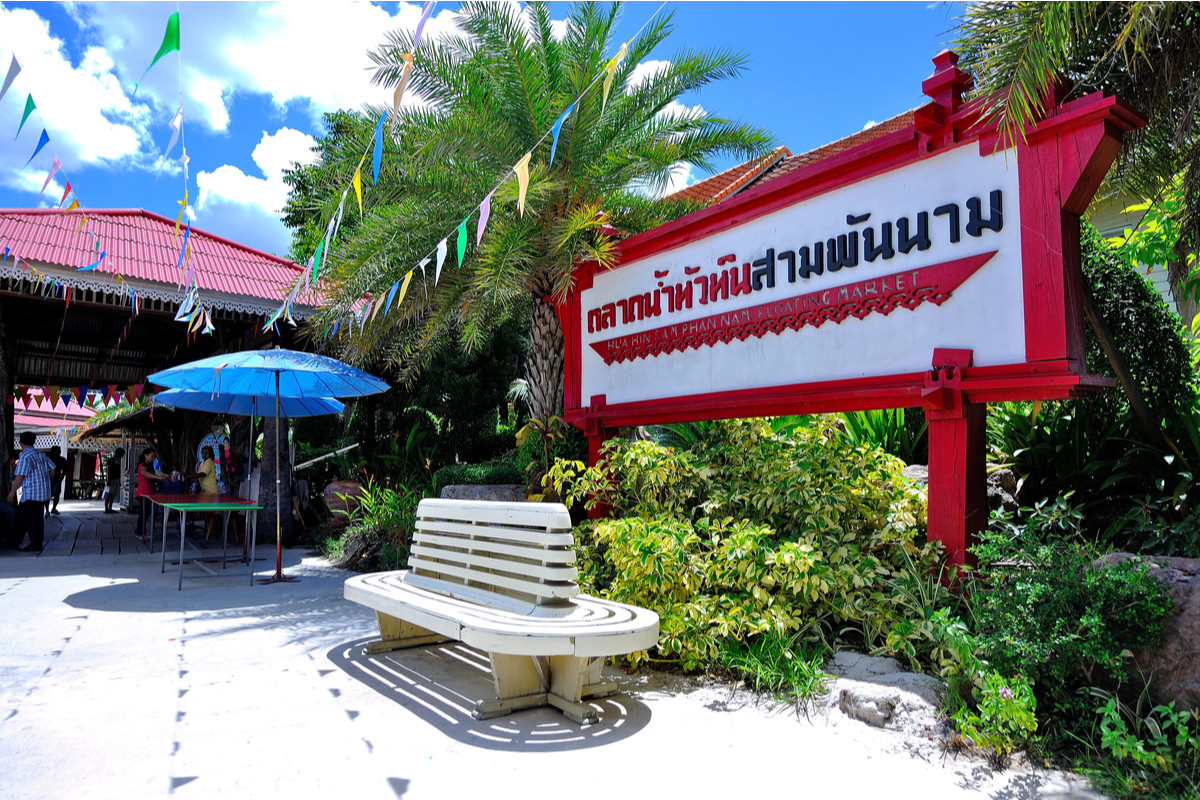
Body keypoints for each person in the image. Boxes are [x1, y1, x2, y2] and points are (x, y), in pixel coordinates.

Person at [8, 432, 56, 552]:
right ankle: (17, 540)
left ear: (20, 443)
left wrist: (12, 492)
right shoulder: (41, 454)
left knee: (30, 519)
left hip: (31, 493)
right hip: (42, 493)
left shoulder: (25, 456)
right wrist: (47, 481)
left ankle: (35, 543)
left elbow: (20, 476)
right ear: (34, 442)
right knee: (28, 517)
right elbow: (53, 468)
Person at [134, 447, 169, 542]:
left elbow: (151, 477)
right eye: (152, 456)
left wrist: (161, 478)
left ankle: (140, 531)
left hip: (150, 493)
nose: (153, 459)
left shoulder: (151, 466)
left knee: (146, 514)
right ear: (145, 455)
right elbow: (144, 473)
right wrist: (157, 477)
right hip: (143, 494)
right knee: (144, 514)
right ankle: (140, 533)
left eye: (154, 457)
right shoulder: (143, 465)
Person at [46, 445, 67, 516]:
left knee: (57, 494)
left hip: (57, 478)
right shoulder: (48, 459)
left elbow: (65, 469)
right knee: (47, 495)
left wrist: (62, 476)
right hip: (48, 478)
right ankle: (47, 510)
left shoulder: (62, 460)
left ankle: (53, 508)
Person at [103, 447, 124, 513]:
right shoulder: (111, 460)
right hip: (111, 479)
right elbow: (108, 470)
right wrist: (108, 480)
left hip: (116, 479)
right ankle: (106, 508)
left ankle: (110, 507)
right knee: (109, 494)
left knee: (113, 494)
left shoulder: (118, 461)